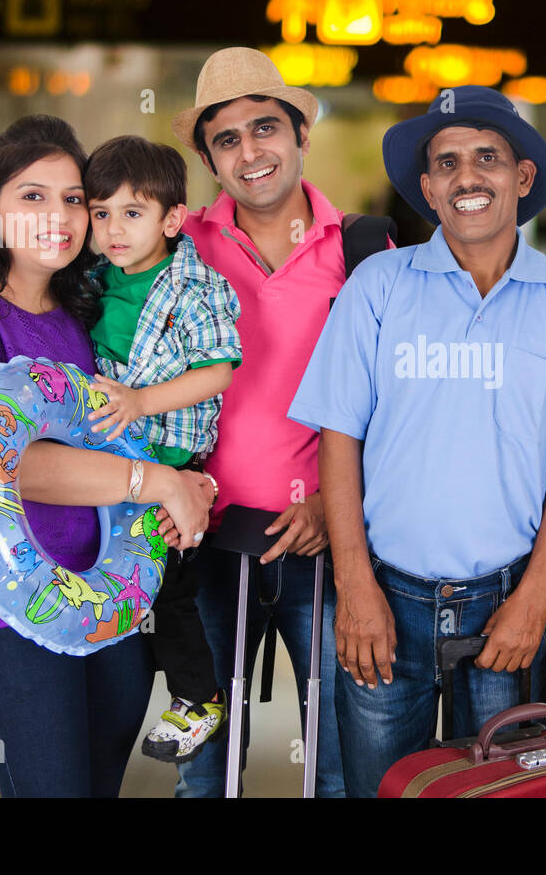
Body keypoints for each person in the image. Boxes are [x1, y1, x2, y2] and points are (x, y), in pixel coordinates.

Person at [288, 86, 546, 797]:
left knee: (505, 794)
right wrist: (355, 588)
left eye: (488, 158)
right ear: (430, 190)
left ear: (522, 178)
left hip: (507, 604)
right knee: (380, 789)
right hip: (385, 597)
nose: (469, 176)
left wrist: (535, 600)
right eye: (448, 164)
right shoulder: (377, 286)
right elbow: (337, 438)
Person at [0, 115, 215, 797]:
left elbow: (121, 428)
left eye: (72, 200)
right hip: (12, 612)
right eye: (32, 196)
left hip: (110, 606)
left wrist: (187, 486)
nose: (57, 216)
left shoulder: (79, 314)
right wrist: (155, 482)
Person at [167, 47, 393, 798]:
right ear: (207, 158)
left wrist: (338, 505)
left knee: (338, 764)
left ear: (300, 135)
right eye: (226, 140)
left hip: (324, 543)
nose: (249, 152)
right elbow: (53, 277)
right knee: (206, 770)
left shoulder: (365, 250)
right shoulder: (175, 247)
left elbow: (398, 405)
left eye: (265, 128)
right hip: (201, 543)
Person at [81, 135, 243, 763]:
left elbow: (219, 369)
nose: (114, 230)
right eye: (101, 214)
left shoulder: (196, 287)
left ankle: (198, 696)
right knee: (126, 580)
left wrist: (142, 402)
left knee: (170, 591)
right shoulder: (98, 279)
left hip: (172, 461)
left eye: (132, 212)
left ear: (173, 219)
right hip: (117, 465)